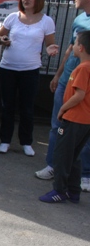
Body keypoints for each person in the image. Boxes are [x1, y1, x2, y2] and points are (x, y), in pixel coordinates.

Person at [35, 0, 90, 190]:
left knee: (83, 131)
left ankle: (84, 174)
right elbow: (69, 49)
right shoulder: (78, 19)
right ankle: (53, 165)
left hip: (85, 86)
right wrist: (58, 75)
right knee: (57, 126)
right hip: (67, 80)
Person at [0, 0, 59, 157]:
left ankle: (26, 142)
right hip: (8, 68)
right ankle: (5, 141)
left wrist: (51, 49)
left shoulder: (46, 21)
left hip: (30, 70)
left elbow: (50, 44)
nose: (26, 0)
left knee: (27, 108)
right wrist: (3, 39)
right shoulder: (12, 17)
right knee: (7, 106)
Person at [39, 30, 90, 203]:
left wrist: (63, 109)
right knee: (74, 156)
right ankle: (73, 191)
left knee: (62, 156)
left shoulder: (82, 69)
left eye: (75, 43)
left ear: (81, 48)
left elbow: (79, 95)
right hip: (85, 120)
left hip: (73, 119)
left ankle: (59, 190)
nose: (72, 46)